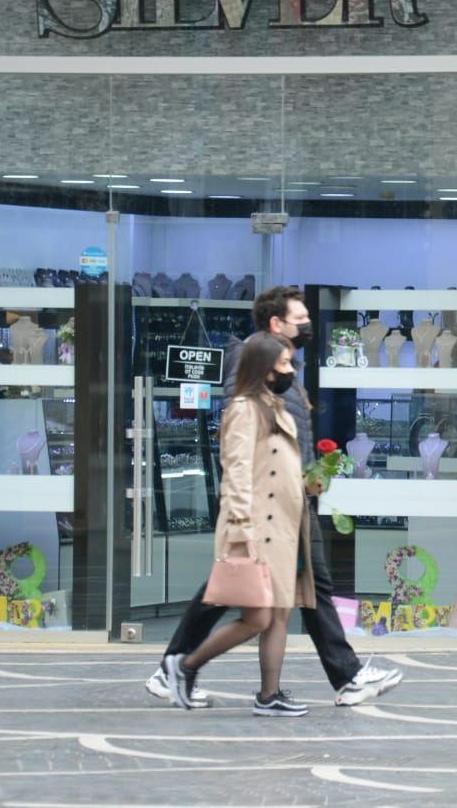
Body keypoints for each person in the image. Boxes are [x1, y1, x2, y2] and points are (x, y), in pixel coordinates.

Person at [147, 286, 403, 708]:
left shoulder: (285, 368)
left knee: (274, 591)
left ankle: (190, 669)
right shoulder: (253, 367)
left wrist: (307, 474)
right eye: (299, 319)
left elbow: (288, 435)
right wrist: (244, 518)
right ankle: (183, 667)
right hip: (264, 509)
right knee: (240, 592)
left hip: (289, 500)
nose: (307, 325)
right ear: (276, 324)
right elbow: (241, 443)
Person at [163, 332, 311, 715]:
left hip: (283, 528)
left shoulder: (275, 407)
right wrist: (242, 529)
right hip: (257, 529)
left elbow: (276, 465)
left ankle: (269, 695)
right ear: (264, 368)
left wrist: (305, 482)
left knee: (278, 615)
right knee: (258, 617)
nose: (290, 371)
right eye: (283, 364)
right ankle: (185, 666)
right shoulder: (244, 409)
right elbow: (238, 472)